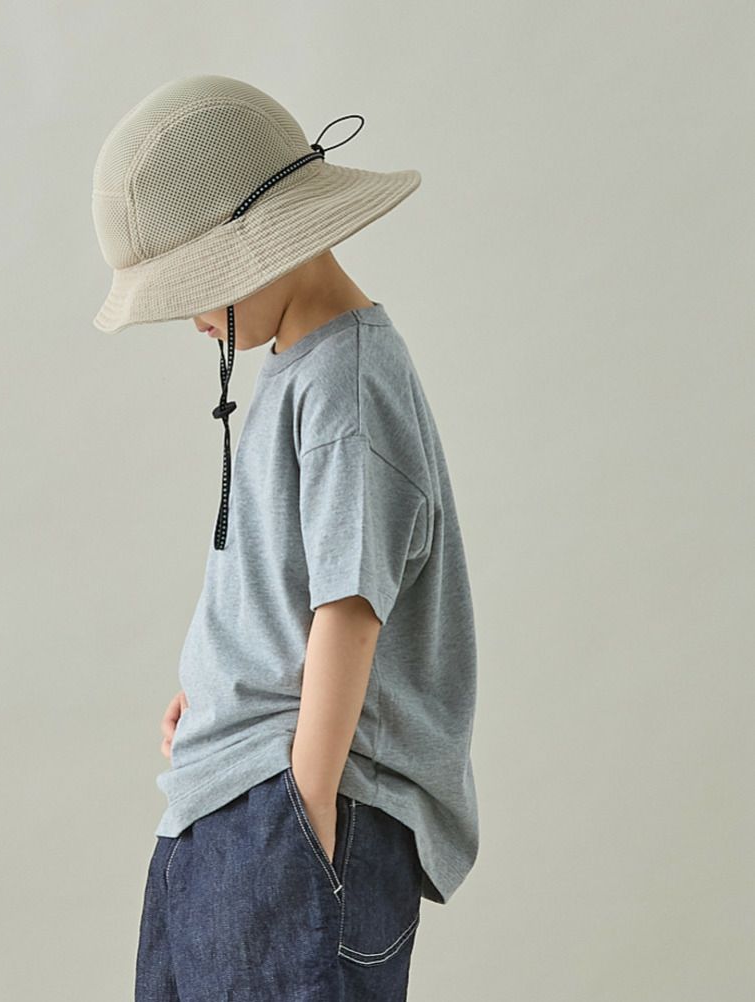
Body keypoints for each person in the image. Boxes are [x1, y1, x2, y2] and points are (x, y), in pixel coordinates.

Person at [91, 73, 479, 1002]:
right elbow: (291, 581)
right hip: (227, 806)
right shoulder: (302, 371)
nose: (191, 318)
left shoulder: (346, 382)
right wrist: (218, 690)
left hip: (288, 814)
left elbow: (351, 608)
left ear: (260, 244)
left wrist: (303, 811)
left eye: (195, 287)